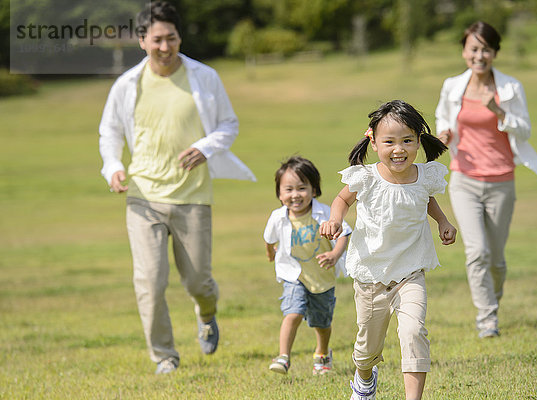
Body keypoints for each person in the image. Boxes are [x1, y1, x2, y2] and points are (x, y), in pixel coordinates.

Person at [98, 1, 255, 374]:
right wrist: (114, 166)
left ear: (180, 37)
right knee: (150, 282)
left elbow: (228, 125)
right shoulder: (127, 85)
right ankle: (165, 356)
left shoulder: (205, 77)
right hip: (143, 197)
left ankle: (206, 312)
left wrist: (204, 147)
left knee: (198, 280)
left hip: (192, 197)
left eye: (171, 38)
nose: (164, 47)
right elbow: (110, 132)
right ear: (141, 41)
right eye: (156, 40)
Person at [320, 100, 457, 400]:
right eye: (390, 142)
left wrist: (443, 222)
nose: (399, 149)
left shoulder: (424, 176)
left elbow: (426, 200)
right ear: (372, 140)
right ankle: (365, 376)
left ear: (419, 140)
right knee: (366, 348)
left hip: (410, 273)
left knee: (413, 332)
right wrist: (334, 219)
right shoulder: (366, 177)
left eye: (407, 140)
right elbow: (342, 200)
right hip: (372, 276)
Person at [434, 21, 537, 339]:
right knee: (476, 251)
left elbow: (525, 130)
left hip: (501, 181)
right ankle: (487, 319)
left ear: (495, 52)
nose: (479, 55)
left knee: (495, 258)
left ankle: (492, 302)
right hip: (464, 178)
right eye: (473, 49)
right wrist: (444, 133)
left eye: (486, 49)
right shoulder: (452, 85)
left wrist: (500, 113)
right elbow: (443, 115)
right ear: (464, 51)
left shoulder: (509, 87)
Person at [264, 156, 352, 375]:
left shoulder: (324, 213)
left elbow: (345, 233)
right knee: (292, 313)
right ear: (279, 193)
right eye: (288, 189)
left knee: (321, 324)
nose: (295, 195)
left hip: (322, 278)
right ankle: (283, 357)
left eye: (302, 188)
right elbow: (269, 238)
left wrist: (334, 253)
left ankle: (322, 353)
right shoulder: (278, 217)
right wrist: (270, 254)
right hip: (294, 276)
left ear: (314, 190)